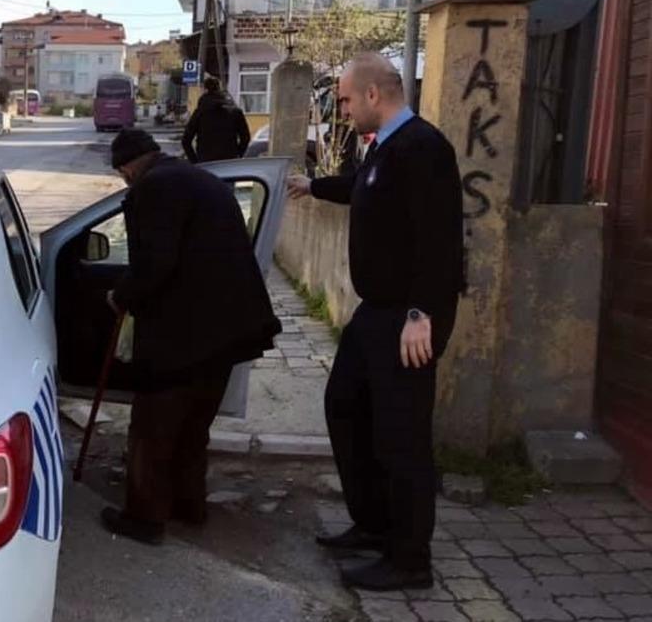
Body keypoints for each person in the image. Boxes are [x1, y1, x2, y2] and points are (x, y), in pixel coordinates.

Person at [286, 53, 463, 591]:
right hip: (376, 314)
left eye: (343, 98)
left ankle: (410, 561)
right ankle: (374, 524)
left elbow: (440, 241)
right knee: (345, 407)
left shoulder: (423, 148)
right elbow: (363, 190)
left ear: (371, 95)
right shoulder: (384, 148)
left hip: (408, 317)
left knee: (401, 438)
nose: (340, 108)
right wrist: (311, 186)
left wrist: (420, 314)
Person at [101, 129, 281, 545]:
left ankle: (144, 519)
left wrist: (122, 295)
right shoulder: (194, 177)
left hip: (185, 335)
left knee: (152, 427)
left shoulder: (154, 188)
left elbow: (156, 262)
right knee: (193, 426)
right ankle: (188, 506)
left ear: (127, 168)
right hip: (228, 329)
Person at [181, 75, 251, 163]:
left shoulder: (200, 113)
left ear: (205, 90)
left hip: (206, 162)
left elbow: (186, 140)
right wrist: (238, 155)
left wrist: (195, 161)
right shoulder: (235, 112)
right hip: (229, 161)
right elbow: (245, 137)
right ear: (219, 88)